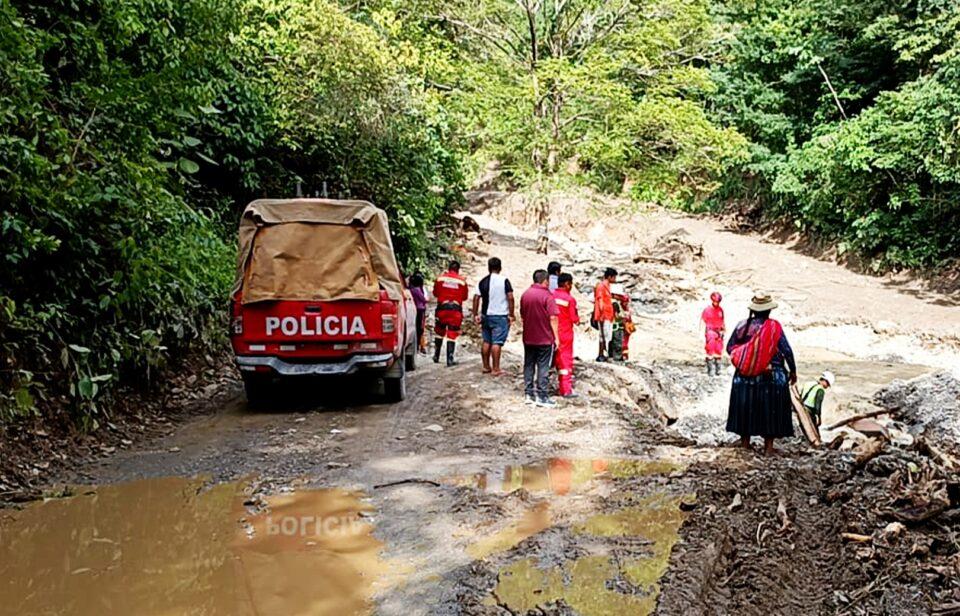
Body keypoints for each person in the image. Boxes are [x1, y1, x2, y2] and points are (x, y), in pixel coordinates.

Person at [725, 293, 797, 456]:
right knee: (771, 410)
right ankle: (768, 448)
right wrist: (793, 371)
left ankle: (745, 444)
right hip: (770, 376)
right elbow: (786, 350)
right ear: (769, 311)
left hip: (745, 375)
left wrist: (749, 359)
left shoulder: (742, 326)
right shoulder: (774, 327)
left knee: (746, 409)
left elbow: (730, 348)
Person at [520, 269, 560, 407]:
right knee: (543, 366)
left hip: (528, 337)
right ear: (545, 281)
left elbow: (523, 314)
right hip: (544, 338)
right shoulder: (547, 296)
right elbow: (553, 317)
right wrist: (556, 337)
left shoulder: (525, 294)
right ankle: (542, 396)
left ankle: (529, 393)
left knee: (529, 364)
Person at [472, 257, 515, 376]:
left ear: (488, 267)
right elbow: (510, 297)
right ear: (500, 268)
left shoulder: (483, 281)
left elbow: (476, 297)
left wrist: (475, 314)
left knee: (486, 341)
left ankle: (486, 366)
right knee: (497, 342)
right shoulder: (504, 280)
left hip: (486, 315)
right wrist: (511, 314)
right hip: (500, 316)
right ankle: (496, 368)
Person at [432, 260, 469, 366]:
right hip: (455, 311)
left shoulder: (440, 279)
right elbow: (465, 297)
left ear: (448, 268)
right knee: (452, 334)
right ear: (458, 270)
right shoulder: (462, 281)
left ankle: (436, 355)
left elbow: (435, 293)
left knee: (439, 331)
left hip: (442, 309)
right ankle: (449, 359)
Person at [552, 273, 580, 397]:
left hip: (550, 332)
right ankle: (565, 389)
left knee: (550, 360)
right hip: (565, 334)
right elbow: (574, 319)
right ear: (567, 284)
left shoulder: (551, 296)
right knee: (565, 362)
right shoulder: (570, 300)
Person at [593, 268, 617, 362]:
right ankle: (601, 354)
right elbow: (600, 300)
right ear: (610, 277)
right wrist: (601, 314)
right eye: (614, 277)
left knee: (606, 335)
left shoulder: (607, 286)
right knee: (602, 335)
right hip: (604, 315)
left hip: (608, 314)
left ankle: (603, 353)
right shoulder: (601, 286)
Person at [701, 291, 726, 376]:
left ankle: (718, 370)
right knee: (710, 350)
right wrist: (702, 333)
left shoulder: (720, 310)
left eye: (718, 302)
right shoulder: (707, 310)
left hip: (719, 332)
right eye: (715, 301)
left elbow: (722, 320)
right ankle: (710, 370)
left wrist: (724, 329)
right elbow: (702, 321)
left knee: (719, 350)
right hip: (710, 332)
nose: (717, 303)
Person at [610, 283, 634, 362]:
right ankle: (621, 356)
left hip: (622, 323)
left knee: (622, 340)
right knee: (622, 340)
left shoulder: (618, 301)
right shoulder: (618, 302)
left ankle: (621, 355)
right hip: (621, 323)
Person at [408, 272, 428, 353]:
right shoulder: (417, 290)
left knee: (415, 327)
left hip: (414, 309)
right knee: (420, 328)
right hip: (420, 309)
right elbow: (424, 299)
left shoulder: (410, 289)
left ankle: (417, 346)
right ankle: (418, 346)